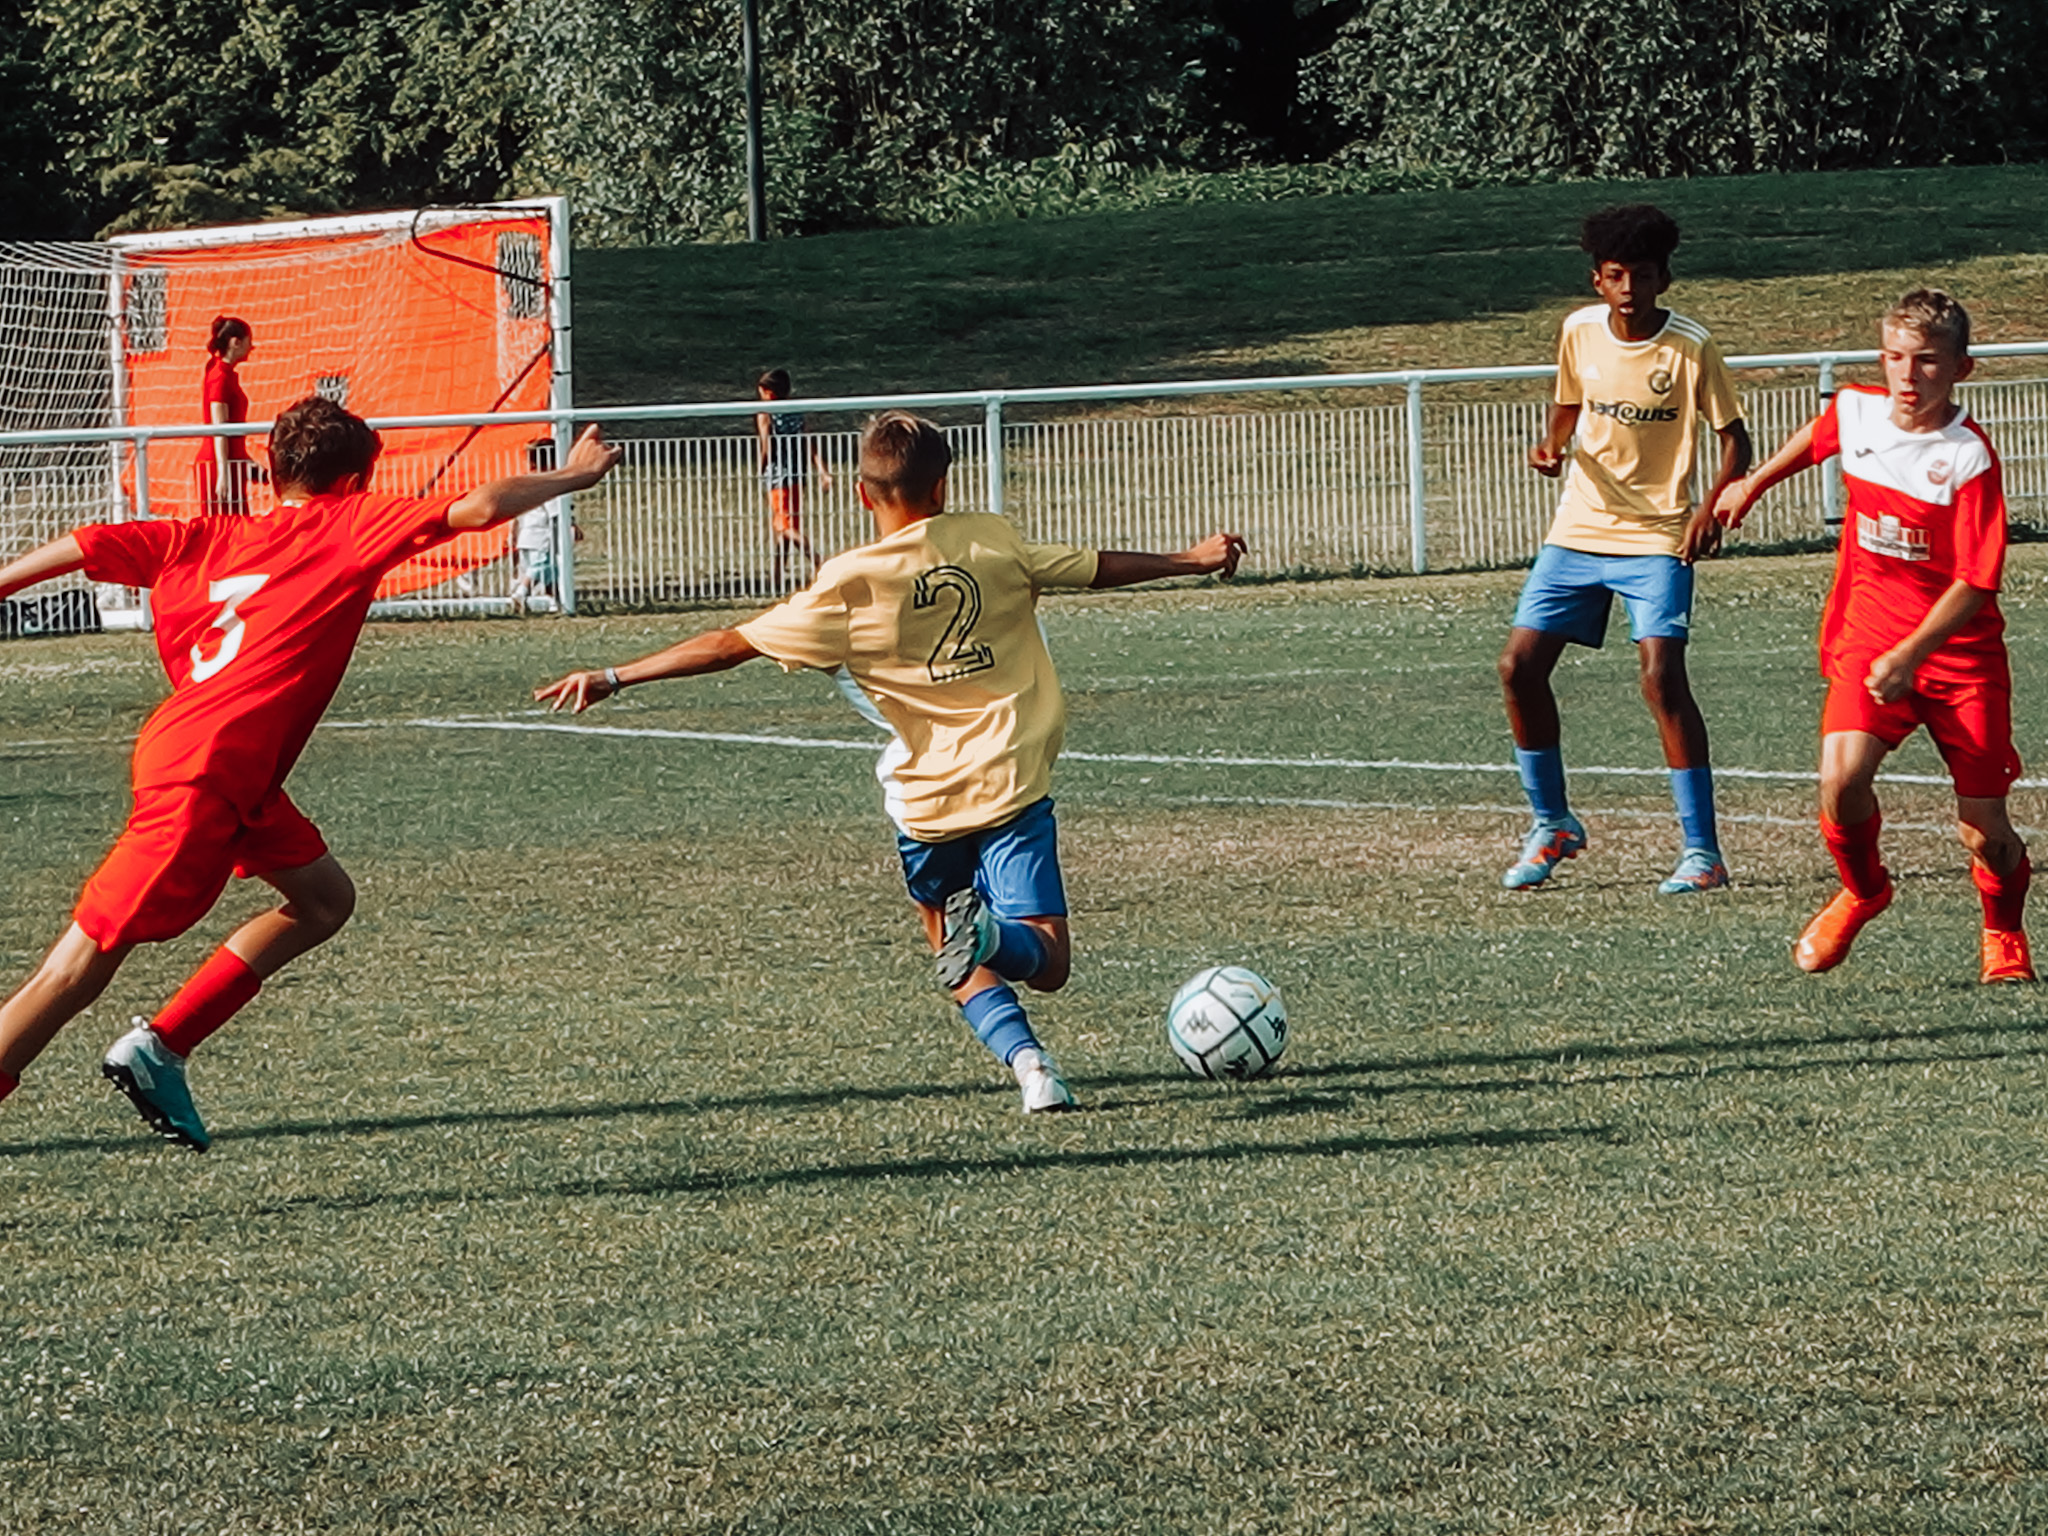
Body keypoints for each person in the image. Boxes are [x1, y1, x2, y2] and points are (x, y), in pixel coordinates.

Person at [537, 410, 1246, 1113]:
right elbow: (1092, 568)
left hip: (924, 805)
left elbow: (729, 643)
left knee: (952, 951)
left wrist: (615, 675)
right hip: (1011, 782)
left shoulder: (845, 585)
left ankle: (1032, 1068)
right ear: (942, 488)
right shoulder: (990, 539)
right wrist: (1192, 558)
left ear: (860, 492)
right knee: (1048, 964)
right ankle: (997, 939)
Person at [0, 397, 623, 1148]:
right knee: (76, 967)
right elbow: (483, 504)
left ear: (269, 471)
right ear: (358, 479)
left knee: (325, 900)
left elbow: (82, 544)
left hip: (227, 769)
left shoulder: (205, 534)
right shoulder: (350, 522)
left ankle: (162, 1046)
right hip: (207, 769)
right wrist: (575, 474)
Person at [1711, 289, 2031, 983]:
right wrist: (1754, 483)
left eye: (1926, 362)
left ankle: (2003, 931)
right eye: (1893, 358)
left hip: (1958, 660)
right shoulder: (1857, 409)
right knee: (1840, 781)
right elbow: (1820, 434)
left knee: (1984, 832)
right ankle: (1863, 891)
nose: (1906, 377)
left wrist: (1912, 653)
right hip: (1869, 636)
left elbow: (1977, 582)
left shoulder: (1968, 458)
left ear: (1961, 370)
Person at [1499, 204, 1752, 894]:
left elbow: (1738, 443)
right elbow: (1567, 405)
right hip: (1579, 528)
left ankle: (1703, 854)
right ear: (1598, 280)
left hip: (1658, 536)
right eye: (1616, 276)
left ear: (1663, 278)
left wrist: (1711, 510)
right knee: (1518, 668)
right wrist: (1551, 448)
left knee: (1661, 679)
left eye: (1642, 274)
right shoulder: (1578, 331)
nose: (1629, 288)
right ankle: (1552, 824)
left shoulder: (1691, 348)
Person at [755, 368, 834, 590]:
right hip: (798, 474)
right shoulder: (795, 412)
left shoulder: (765, 414)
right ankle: (777, 577)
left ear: (769, 393)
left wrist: (761, 468)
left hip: (778, 475)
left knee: (784, 526)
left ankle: (819, 562)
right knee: (788, 526)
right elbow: (809, 440)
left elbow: (766, 446)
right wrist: (822, 470)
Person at [197, 315, 264, 515]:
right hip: (220, 466)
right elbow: (220, 428)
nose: (252, 347)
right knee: (222, 529)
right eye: (248, 341)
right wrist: (223, 471)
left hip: (230, 463)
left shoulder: (224, 374)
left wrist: (246, 461)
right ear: (236, 342)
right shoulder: (219, 377)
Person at [510, 437, 583, 612]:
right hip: (542, 536)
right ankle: (521, 591)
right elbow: (556, 512)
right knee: (541, 567)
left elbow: (515, 513)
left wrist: (513, 535)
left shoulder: (525, 482)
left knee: (551, 573)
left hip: (525, 535)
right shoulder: (549, 484)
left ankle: (555, 601)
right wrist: (571, 526)